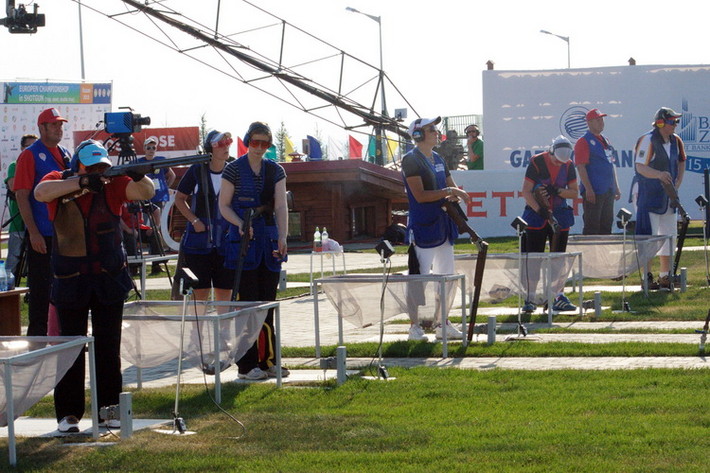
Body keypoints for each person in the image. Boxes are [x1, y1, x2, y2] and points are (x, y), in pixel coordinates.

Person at [33, 140, 154, 433]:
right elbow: (40, 193)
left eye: (102, 166)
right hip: (70, 279)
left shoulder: (113, 184)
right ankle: (68, 415)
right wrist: (82, 183)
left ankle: (108, 410)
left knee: (108, 347)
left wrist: (139, 175)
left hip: (108, 277)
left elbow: (146, 192)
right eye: (92, 167)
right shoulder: (58, 180)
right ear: (78, 166)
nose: (99, 171)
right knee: (70, 349)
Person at [219, 122, 289, 380]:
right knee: (247, 307)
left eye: (265, 144)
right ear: (248, 141)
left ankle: (269, 360)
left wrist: (282, 235)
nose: (259, 148)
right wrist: (240, 224)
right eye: (255, 142)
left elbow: (280, 206)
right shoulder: (233, 169)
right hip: (242, 245)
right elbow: (224, 205)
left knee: (267, 306)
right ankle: (246, 366)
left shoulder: (276, 170)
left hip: (268, 242)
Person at [401, 117, 471, 341]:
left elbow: (450, 186)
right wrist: (450, 191)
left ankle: (443, 323)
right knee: (418, 278)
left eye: (435, 128)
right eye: (431, 129)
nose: (436, 131)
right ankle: (414, 327)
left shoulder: (438, 157)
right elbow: (420, 196)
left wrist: (454, 194)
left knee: (447, 277)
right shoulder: (411, 160)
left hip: (443, 225)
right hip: (424, 226)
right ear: (418, 135)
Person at [13, 108, 71, 336]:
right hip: (42, 235)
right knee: (40, 290)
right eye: (54, 124)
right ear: (42, 128)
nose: (59, 128)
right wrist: (34, 232)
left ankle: (63, 336)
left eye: (60, 124)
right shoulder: (30, 155)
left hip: (65, 234)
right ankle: (37, 340)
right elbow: (21, 195)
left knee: (66, 287)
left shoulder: (65, 153)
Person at [520, 135, 579, 313]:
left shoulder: (569, 165)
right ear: (551, 152)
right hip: (535, 217)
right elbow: (526, 191)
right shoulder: (537, 162)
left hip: (560, 215)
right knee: (533, 259)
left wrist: (557, 191)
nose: (559, 164)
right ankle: (530, 298)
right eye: (556, 160)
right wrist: (540, 210)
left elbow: (574, 193)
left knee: (558, 259)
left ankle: (557, 296)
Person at [174, 130, 234, 303]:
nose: (226, 147)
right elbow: (179, 198)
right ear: (210, 149)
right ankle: (198, 322)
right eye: (220, 144)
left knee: (225, 290)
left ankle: (223, 322)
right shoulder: (196, 170)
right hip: (198, 243)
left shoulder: (233, 171)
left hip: (225, 242)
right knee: (200, 292)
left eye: (228, 142)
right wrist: (194, 220)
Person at [634, 107, 686, 290]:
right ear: (661, 123)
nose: (675, 125)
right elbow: (640, 167)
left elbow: (682, 160)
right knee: (648, 236)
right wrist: (658, 175)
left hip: (668, 196)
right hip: (648, 195)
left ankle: (665, 275)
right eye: (672, 121)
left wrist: (678, 181)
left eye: (676, 121)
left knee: (669, 235)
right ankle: (646, 277)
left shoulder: (676, 140)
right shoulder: (647, 139)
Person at [574, 109, 621, 234]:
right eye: (598, 120)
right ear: (589, 122)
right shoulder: (583, 141)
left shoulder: (605, 140)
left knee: (607, 225)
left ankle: (604, 248)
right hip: (594, 190)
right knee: (592, 226)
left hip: (608, 189)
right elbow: (581, 167)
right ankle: (590, 247)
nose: (601, 122)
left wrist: (616, 187)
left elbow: (611, 165)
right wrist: (588, 189)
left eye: (602, 119)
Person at [138, 137, 176, 274]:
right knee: (144, 227)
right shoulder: (139, 162)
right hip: (143, 199)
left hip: (157, 198)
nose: (151, 150)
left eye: (153, 147)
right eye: (148, 147)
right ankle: (139, 264)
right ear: (144, 148)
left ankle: (157, 263)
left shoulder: (160, 160)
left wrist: (165, 187)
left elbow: (172, 175)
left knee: (156, 228)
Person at [4, 134, 37, 277]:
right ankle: (7, 288)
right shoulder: (14, 165)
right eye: (28, 147)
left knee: (36, 262)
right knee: (13, 260)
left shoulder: (40, 165)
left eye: (35, 146)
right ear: (22, 148)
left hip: (37, 223)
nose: (32, 150)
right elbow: (13, 187)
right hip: (19, 223)